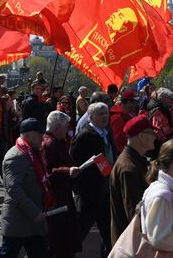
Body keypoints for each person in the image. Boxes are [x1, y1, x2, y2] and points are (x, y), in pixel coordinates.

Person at [0, 118, 52, 258]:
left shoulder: (32, 153)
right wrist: (34, 211)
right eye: (39, 133)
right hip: (18, 221)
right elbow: (14, 189)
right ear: (27, 135)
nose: (42, 137)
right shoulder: (16, 156)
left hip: (33, 222)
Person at [71, 102, 116, 257]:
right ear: (90, 117)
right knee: (77, 235)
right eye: (100, 113)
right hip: (88, 195)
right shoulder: (85, 135)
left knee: (109, 237)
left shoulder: (106, 133)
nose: (105, 116)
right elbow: (75, 162)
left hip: (104, 193)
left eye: (106, 113)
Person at [41, 112, 82, 258]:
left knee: (65, 238)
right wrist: (67, 171)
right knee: (58, 239)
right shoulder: (49, 144)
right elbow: (48, 173)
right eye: (65, 127)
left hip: (63, 196)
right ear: (58, 127)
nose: (67, 130)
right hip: (56, 198)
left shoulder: (57, 142)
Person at [109, 115, 154, 245]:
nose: (155, 137)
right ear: (141, 136)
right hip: (131, 244)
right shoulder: (128, 169)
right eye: (151, 133)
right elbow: (134, 215)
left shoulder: (135, 161)